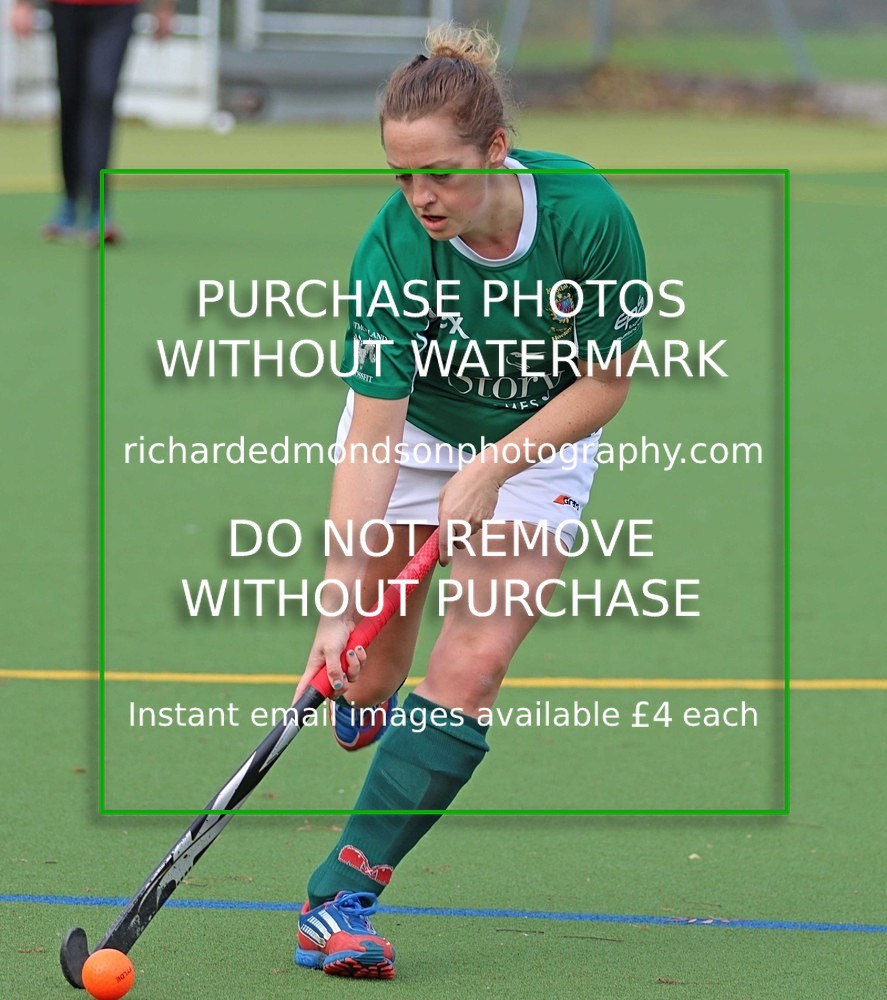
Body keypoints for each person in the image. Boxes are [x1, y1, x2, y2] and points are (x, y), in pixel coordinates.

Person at [290, 22, 646, 980]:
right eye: (403, 176)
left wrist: (494, 466)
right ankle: (371, 691)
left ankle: (340, 898)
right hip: (411, 438)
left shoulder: (584, 212)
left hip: (541, 433)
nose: (422, 197)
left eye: (440, 172)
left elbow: (605, 384)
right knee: (367, 672)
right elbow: (373, 431)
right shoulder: (393, 247)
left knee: (476, 655)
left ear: (497, 148)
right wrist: (335, 602)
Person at [10, 0, 176, 244]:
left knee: (101, 92)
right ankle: (70, 199)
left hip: (118, 8)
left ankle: (99, 209)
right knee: (70, 98)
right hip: (67, 6)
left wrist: (164, 7)